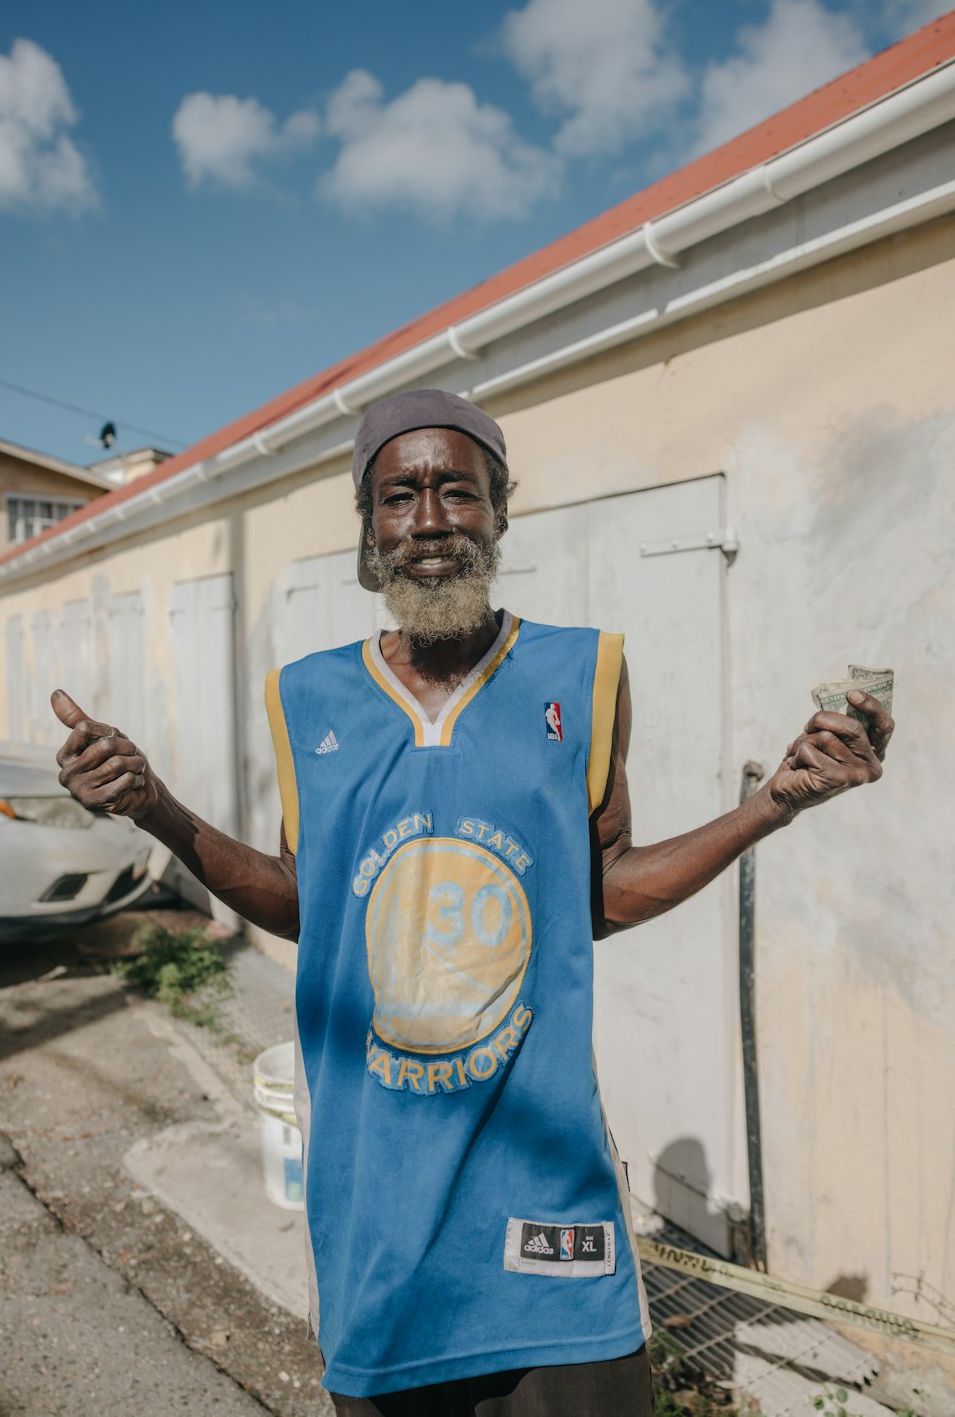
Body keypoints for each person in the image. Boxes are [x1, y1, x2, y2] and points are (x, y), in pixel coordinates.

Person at [53, 388, 894, 1416]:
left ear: (499, 509)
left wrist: (772, 805)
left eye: (459, 489)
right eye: (400, 495)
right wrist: (155, 807)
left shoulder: (581, 672)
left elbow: (598, 891)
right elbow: (309, 903)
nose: (431, 519)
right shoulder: (306, 696)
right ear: (368, 527)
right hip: (376, 1209)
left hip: (546, 1196)